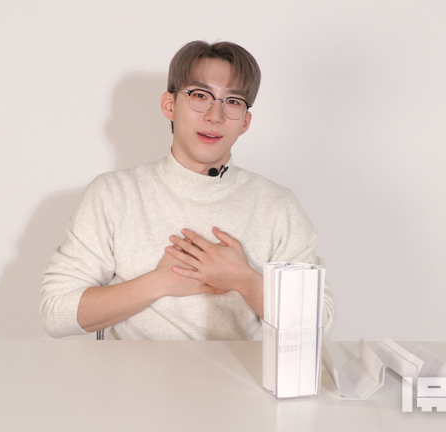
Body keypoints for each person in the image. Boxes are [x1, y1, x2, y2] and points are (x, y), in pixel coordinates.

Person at [41, 40, 335, 340]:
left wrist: (245, 280)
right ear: (169, 105)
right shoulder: (113, 194)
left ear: (245, 122)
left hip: (237, 372)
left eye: (233, 101)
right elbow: (56, 312)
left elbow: (320, 324)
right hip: (133, 372)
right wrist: (159, 282)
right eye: (200, 96)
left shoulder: (277, 205)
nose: (215, 116)